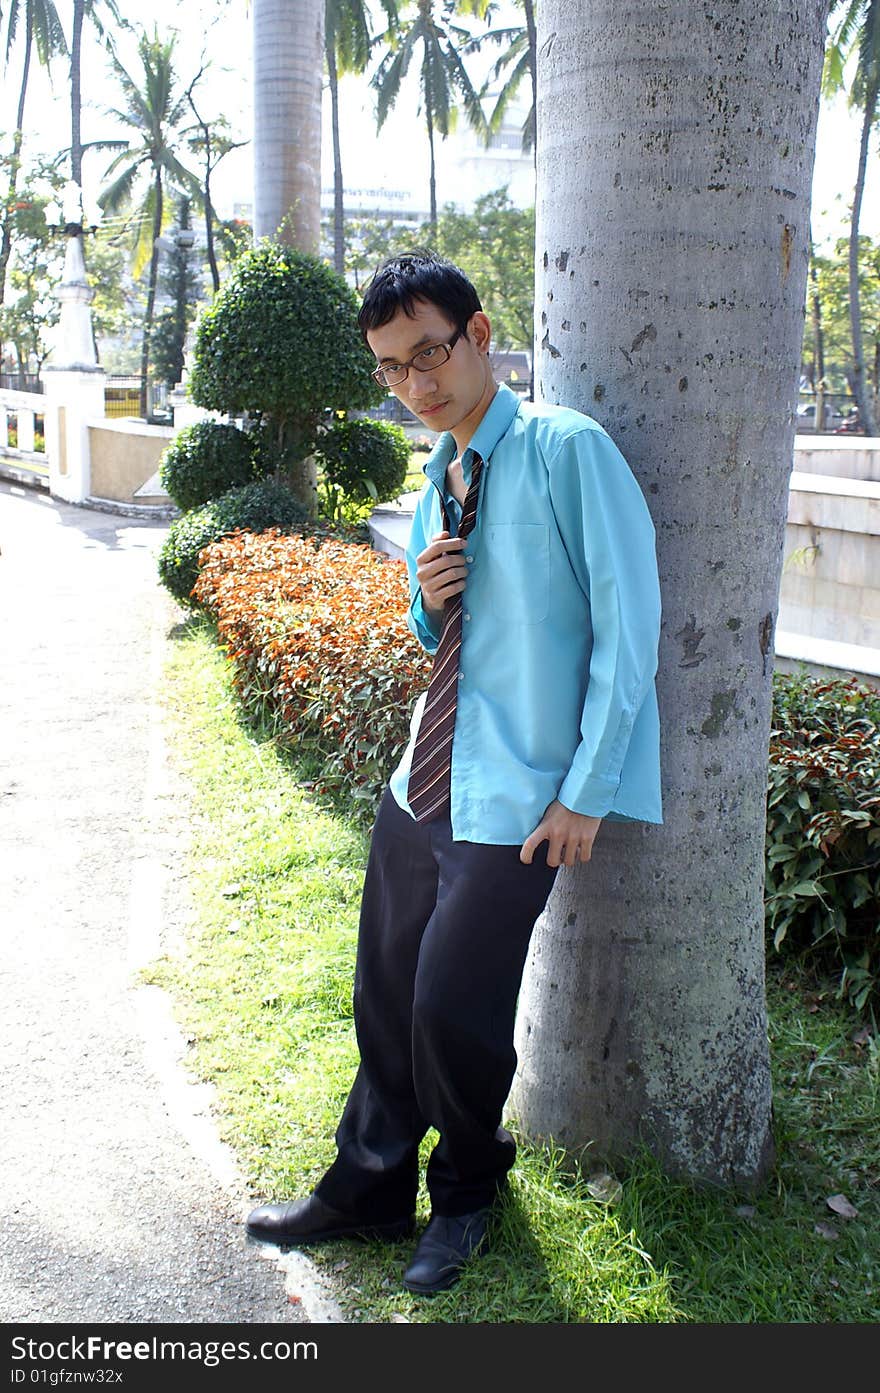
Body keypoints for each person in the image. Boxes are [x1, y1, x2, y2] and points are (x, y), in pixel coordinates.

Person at [246, 251, 663, 1295]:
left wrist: (586, 793)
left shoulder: (568, 451)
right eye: (392, 369)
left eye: (428, 353)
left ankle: (468, 1191)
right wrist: (427, 598)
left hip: (521, 798)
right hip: (422, 780)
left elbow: (629, 629)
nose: (415, 384)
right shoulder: (441, 473)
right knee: (384, 996)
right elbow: (439, 632)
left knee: (451, 1009)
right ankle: (369, 1187)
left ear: (479, 336)